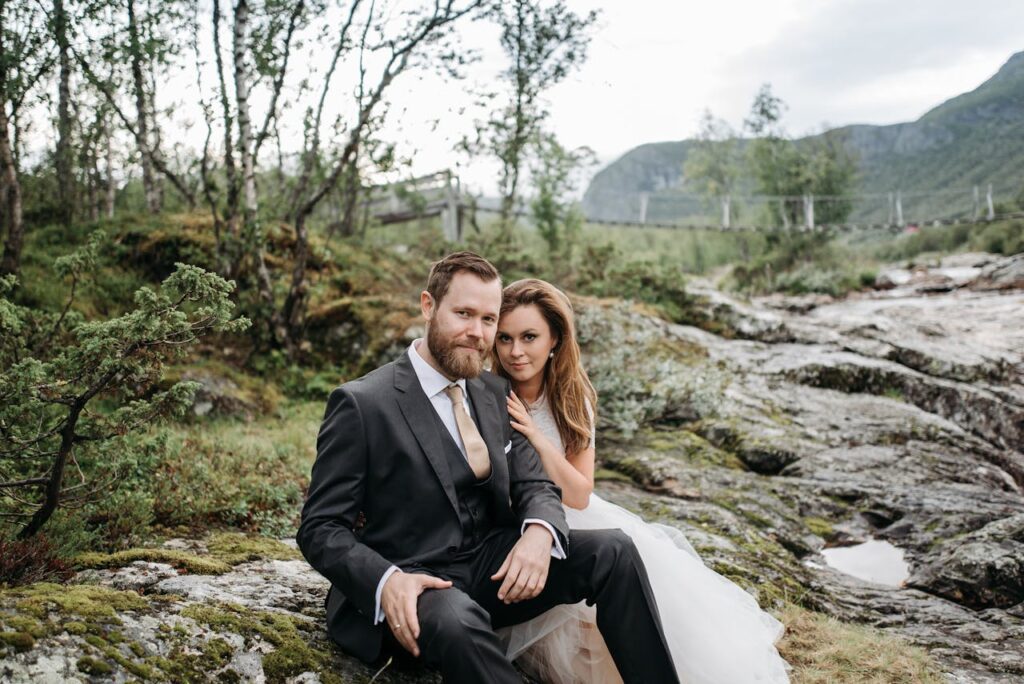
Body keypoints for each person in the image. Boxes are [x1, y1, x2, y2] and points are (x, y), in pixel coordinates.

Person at [297, 252, 680, 683]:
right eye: (463, 314)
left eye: (487, 319)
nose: (477, 333)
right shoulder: (362, 403)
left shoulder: (494, 392)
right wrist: (388, 582)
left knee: (615, 550)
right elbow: (320, 527)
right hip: (415, 579)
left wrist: (539, 531)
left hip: (488, 567)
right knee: (459, 619)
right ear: (428, 306)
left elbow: (536, 483)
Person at [493, 278, 791, 684]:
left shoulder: (571, 399)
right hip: (514, 526)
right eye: (505, 338)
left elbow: (579, 494)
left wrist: (534, 436)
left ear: (555, 339)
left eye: (529, 337)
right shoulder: (488, 393)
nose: (516, 351)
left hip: (572, 519)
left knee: (626, 618)